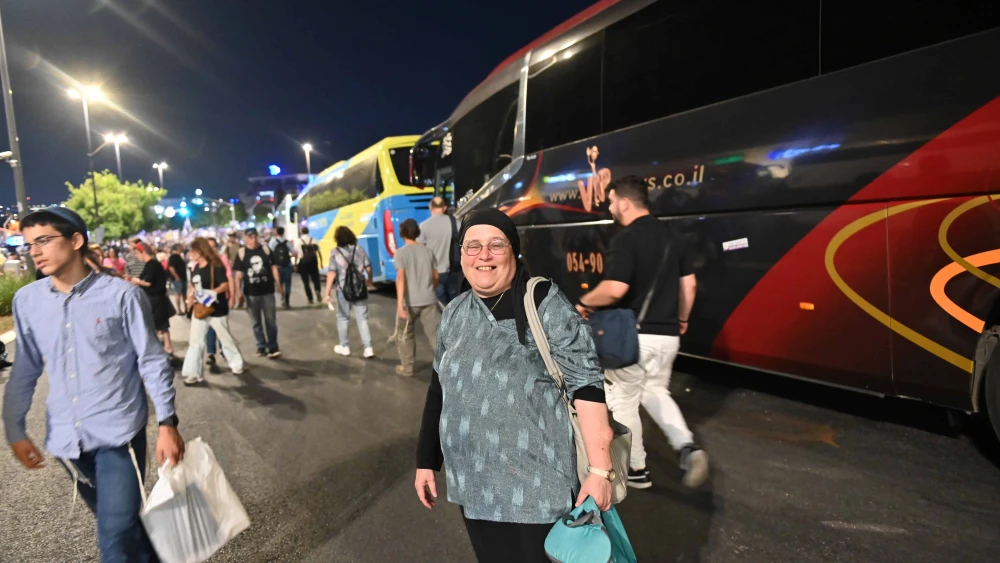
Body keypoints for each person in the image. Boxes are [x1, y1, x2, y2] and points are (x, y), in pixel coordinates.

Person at [415, 209, 615, 563]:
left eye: (496, 245)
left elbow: (587, 385)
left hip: (537, 488)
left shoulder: (542, 302)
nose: (484, 256)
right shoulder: (456, 312)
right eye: (473, 246)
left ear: (513, 251)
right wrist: (426, 460)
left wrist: (600, 471)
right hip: (474, 484)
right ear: (461, 254)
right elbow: (439, 387)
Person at [3, 206, 184, 563]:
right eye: (29, 244)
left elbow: (150, 359)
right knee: (122, 527)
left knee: (114, 539)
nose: (35, 251)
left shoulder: (121, 296)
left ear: (76, 240)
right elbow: (25, 368)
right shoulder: (28, 301)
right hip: (68, 441)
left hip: (118, 434)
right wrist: (14, 427)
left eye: (44, 240)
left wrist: (167, 423)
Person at [576, 175, 707, 489]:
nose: (610, 207)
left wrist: (583, 301)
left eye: (610, 201)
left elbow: (615, 288)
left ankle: (635, 468)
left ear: (624, 201)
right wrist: (682, 319)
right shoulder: (674, 236)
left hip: (636, 338)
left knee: (623, 400)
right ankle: (687, 446)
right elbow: (688, 285)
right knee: (655, 391)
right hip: (668, 336)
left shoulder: (626, 239)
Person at [181, 237, 245, 385]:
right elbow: (192, 285)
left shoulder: (215, 266)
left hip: (216, 309)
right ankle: (194, 373)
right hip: (200, 310)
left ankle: (237, 364)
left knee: (225, 338)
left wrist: (211, 293)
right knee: (195, 342)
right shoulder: (195, 267)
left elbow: (224, 285)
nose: (191, 253)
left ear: (200, 251)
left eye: (193, 250)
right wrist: (190, 297)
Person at [394, 218, 440, 377]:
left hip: (409, 302)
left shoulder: (400, 253)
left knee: (405, 335)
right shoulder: (428, 251)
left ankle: (407, 367)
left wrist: (400, 305)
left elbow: (401, 278)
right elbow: (435, 275)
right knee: (436, 335)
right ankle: (448, 368)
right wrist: (430, 288)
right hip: (429, 300)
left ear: (402, 233)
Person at [323, 226, 374, 358]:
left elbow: (332, 272)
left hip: (343, 290)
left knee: (343, 318)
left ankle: (344, 346)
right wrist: (370, 281)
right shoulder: (359, 250)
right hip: (360, 288)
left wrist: (327, 292)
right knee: (362, 319)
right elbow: (368, 267)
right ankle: (368, 348)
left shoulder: (335, 252)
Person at [234, 227, 283, 358]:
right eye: (250, 237)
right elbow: (238, 275)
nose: (253, 239)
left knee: (270, 321)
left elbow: (273, 268)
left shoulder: (266, 250)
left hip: (267, 292)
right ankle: (261, 345)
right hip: (251, 293)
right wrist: (238, 293)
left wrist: (279, 284)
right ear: (245, 239)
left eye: (255, 236)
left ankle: (272, 346)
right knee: (255, 321)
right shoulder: (242, 253)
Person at [129, 241, 176, 357]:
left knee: (156, 325)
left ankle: (164, 349)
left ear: (143, 252)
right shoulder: (152, 264)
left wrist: (136, 281)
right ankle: (167, 347)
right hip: (156, 299)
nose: (137, 257)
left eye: (137, 254)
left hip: (155, 299)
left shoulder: (152, 264)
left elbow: (148, 282)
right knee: (162, 325)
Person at [418, 196, 460, 305]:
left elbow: (420, 250)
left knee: (440, 303)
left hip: (434, 271)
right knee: (454, 301)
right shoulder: (455, 222)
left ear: (430, 207)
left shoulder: (424, 226)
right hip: (453, 269)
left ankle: (445, 321)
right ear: (444, 207)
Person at [204, 237, 236, 374]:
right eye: (209, 246)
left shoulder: (222, 259)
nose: (212, 249)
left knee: (222, 327)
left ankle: (225, 350)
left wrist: (233, 295)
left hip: (222, 298)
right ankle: (211, 352)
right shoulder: (203, 261)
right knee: (210, 327)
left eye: (214, 246)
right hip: (207, 300)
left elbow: (229, 278)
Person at [269, 226, 295, 309]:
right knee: (288, 284)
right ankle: (287, 301)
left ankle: (282, 299)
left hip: (277, 267)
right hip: (287, 266)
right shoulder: (287, 242)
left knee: (280, 284)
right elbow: (294, 253)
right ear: (283, 233)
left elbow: (269, 254)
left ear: (276, 232)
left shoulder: (273, 242)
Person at [297, 226, 323, 305]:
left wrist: (295, 263)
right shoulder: (314, 240)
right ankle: (317, 290)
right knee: (316, 279)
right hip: (313, 261)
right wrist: (321, 263)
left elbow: (297, 253)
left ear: (301, 232)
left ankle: (310, 299)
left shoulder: (299, 241)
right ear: (308, 232)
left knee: (306, 281)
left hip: (303, 262)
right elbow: (319, 252)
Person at [167, 244, 188, 315]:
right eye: (181, 246)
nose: (182, 247)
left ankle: (186, 308)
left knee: (183, 294)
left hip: (182, 278)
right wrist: (177, 277)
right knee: (178, 294)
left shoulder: (179, 256)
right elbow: (171, 268)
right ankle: (179, 310)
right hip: (178, 279)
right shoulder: (173, 257)